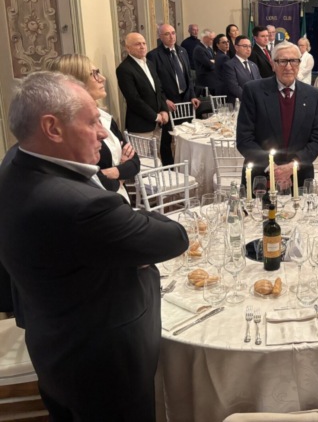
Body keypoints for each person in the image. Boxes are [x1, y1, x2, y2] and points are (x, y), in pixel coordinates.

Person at [0, 71, 188, 420]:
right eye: (91, 122)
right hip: (105, 369)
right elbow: (174, 237)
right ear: (52, 128)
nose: (103, 132)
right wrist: (131, 226)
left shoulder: (15, 161)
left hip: (54, 346)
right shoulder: (80, 206)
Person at [236, 41, 318, 189]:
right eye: (282, 61)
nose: (288, 67)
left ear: (299, 63)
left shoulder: (313, 95)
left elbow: (317, 139)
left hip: (300, 176)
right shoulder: (253, 91)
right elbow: (244, 139)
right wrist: (272, 168)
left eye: (293, 61)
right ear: (273, 64)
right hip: (260, 177)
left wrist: (292, 166)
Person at [52, 54, 140, 200]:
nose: (102, 78)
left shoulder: (105, 118)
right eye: (94, 74)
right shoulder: (69, 129)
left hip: (120, 198)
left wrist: (112, 172)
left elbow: (135, 162)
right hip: (97, 202)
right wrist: (120, 173)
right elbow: (88, 181)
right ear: (76, 81)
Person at [147, 23, 201, 165]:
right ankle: (169, 167)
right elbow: (155, 83)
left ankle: (187, 164)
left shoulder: (182, 51)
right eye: (167, 34)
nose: (171, 37)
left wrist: (193, 95)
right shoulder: (153, 55)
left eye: (173, 33)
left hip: (186, 99)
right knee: (167, 138)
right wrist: (164, 100)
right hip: (168, 102)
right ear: (160, 37)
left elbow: (189, 77)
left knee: (187, 136)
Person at [116, 32, 169, 151]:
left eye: (144, 43)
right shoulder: (124, 69)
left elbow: (159, 90)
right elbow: (133, 99)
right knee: (143, 160)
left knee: (156, 158)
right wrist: (155, 116)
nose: (142, 47)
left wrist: (164, 110)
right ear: (128, 48)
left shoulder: (149, 64)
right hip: (140, 126)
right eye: (137, 44)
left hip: (157, 123)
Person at [219, 34, 260, 104]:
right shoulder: (229, 65)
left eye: (250, 46)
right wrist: (250, 98)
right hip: (239, 104)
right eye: (245, 46)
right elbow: (234, 87)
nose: (248, 49)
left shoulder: (254, 65)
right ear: (236, 47)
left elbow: (260, 83)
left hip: (255, 103)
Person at [193, 29, 217, 95]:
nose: (213, 41)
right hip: (205, 81)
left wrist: (214, 61)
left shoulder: (209, 48)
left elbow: (216, 61)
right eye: (212, 39)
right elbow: (210, 65)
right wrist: (213, 62)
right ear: (205, 38)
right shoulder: (199, 49)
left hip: (213, 79)